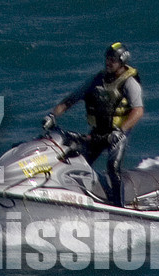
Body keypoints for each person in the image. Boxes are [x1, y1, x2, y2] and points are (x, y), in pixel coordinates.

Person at [50, 44, 144, 205]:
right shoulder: (97, 80)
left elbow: (138, 111)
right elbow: (70, 101)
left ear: (122, 61)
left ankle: (119, 206)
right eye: (107, 59)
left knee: (113, 168)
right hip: (98, 132)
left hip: (116, 135)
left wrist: (120, 131)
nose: (108, 62)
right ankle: (73, 196)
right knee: (79, 163)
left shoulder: (129, 83)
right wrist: (51, 116)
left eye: (112, 60)